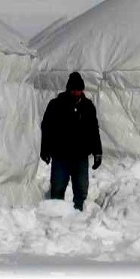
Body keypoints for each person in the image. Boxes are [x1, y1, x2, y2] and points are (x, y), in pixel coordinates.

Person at [39, 71, 103, 211]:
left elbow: (93, 130)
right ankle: (56, 217)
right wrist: (45, 150)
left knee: (81, 191)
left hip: (80, 156)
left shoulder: (88, 107)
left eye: (78, 90)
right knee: (57, 189)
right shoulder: (56, 105)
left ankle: (78, 217)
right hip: (60, 155)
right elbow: (47, 127)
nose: (75, 93)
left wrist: (97, 152)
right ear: (68, 89)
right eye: (73, 90)